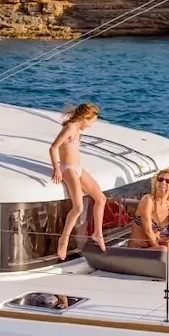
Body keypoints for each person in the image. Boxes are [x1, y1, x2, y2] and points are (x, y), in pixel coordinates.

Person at [49, 102, 107, 260]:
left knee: (101, 199)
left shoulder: (78, 130)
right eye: (91, 121)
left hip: (78, 168)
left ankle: (97, 233)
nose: (91, 125)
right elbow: (54, 148)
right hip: (67, 169)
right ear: (84, 118)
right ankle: (64, 239)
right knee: (79, 207)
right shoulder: (69, 129)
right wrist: (56, 168)